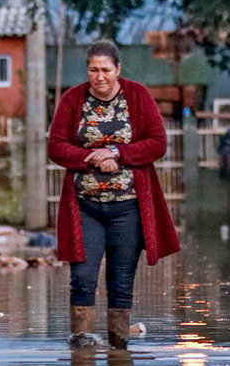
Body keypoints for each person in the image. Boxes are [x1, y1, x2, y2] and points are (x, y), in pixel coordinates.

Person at [49, 39, 181, 349]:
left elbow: (157, 142)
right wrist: (91, 157)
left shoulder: (138, 96)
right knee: (83, 276)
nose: (100, 76)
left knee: (121, 281)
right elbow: (56, 146)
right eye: (93, 70)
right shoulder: (72, 99)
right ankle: (81, 343)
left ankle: (118, 346)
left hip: (128, 207)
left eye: (106, 69)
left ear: (118, 69)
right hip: (85, 206)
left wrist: (116, 153)